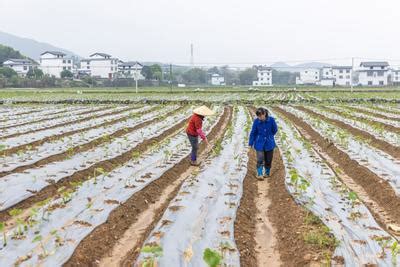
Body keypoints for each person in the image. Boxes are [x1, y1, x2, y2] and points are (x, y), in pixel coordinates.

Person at [248, 107, 278, 180]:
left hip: (269, 143)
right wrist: (250, 143)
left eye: (260, 115)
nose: (259, 117)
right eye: (258, 116)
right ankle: (260, 174)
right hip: (259, 143)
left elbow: (275, 130)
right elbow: (253, 132)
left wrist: (270, 136)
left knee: (268, 159)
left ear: (264, 114)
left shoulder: (271, 120)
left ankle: (267, 173)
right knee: (260, 159)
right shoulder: (256, 122)